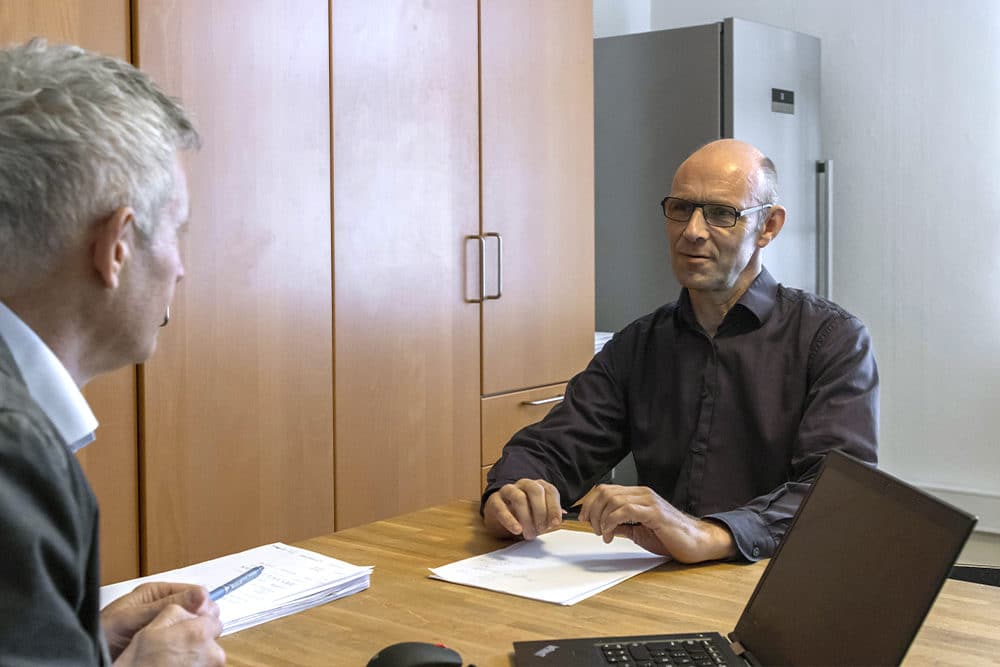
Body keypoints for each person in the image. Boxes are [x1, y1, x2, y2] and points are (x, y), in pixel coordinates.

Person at [482, 139, 878, 564]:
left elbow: (835, 494)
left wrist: (710, 535)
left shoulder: (831, 340)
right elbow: (555, 447)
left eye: (721, 213)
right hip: (659, 581)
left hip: (776, 578)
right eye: (681, 208)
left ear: (768, 226)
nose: (692, 231)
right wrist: (513, 493)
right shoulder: (638, 345)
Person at [0, 40, 224, 665]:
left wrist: (79, 643)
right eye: (176, 232)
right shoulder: (13, 446)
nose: (180, 269)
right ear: (117, 246)